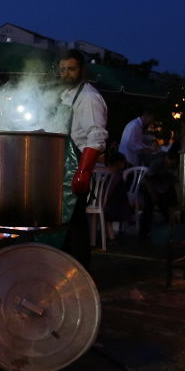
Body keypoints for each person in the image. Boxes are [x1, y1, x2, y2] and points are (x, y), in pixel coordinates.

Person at [55, 49, 108, 262]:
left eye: (71, 69)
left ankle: (80, 274)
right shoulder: (65, 96)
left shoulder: (89, 98)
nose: (66, 73)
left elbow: (97, 136)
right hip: (60, 168)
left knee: (75, 225)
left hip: (76, 168)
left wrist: (83, 172)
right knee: (63, 225)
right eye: (63, 70)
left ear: (82, 70)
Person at [139, 147, 180, 242]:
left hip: (162, 189)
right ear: (167, 158)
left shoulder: (174, 166)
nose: (173, 165)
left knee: (166, 209)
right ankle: (144, 233)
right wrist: (153, 195)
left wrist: (177, 201)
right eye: (172, 162)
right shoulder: (157, 163)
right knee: (148, 209)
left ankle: (170, 231)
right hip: (148, 188)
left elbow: (174, 183)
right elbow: (146, 180)